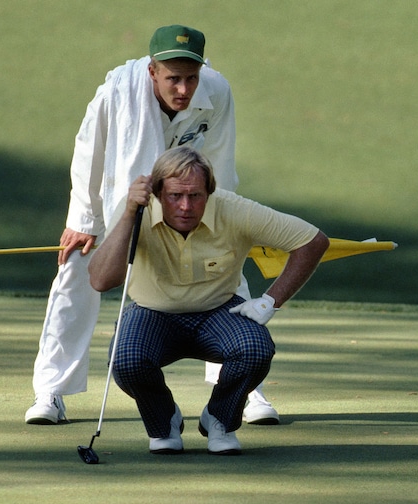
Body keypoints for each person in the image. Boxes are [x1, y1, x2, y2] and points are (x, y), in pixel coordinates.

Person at [25, 25, 281, 425]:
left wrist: (224, 224)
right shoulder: (116, 90)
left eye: (190, 79)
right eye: (173, 79)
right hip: (120, 207)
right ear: (152, 71)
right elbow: (88, 150)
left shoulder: (218, 92)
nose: (183, 89)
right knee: (75, 275)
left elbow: (220, 159)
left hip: (188, 206)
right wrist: (83, 220)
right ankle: (51, 391)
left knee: (227, 277)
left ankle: (246, 393)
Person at [89, 146, 329, 455]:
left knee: (256, 348)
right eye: (176, 195)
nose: (186, 206)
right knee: (127, 361)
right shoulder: (136, 210)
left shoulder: (234, 209)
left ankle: (219, 418)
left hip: (217, 312)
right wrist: (127, 215)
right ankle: (165, 422)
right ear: (159, 193)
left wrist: (271, 301)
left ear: (210, 191)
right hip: (152, 312)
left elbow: (312, 241)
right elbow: (101, 280)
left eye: (196, 196)